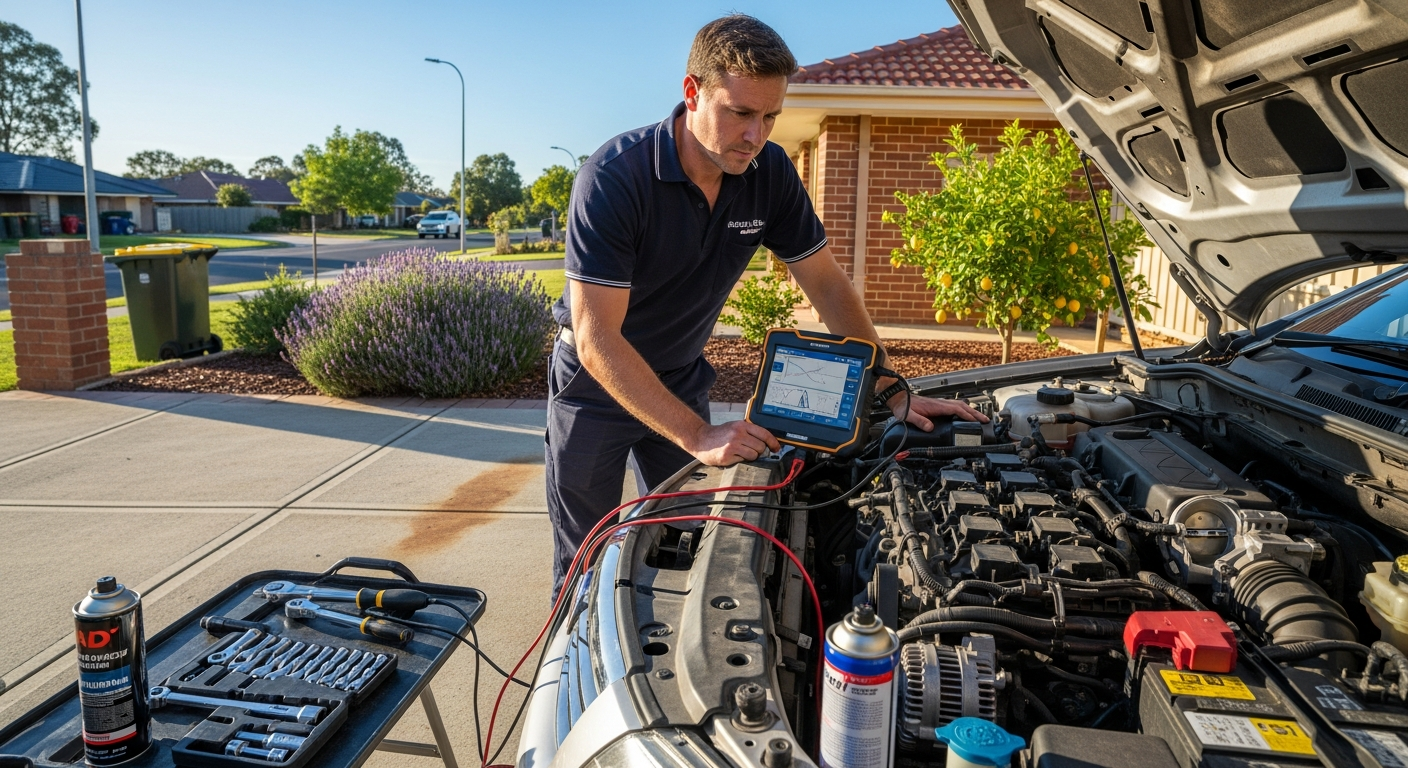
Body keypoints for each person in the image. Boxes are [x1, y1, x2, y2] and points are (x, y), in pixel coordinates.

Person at [545, 14, 986, 597]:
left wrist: (890, 389)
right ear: (692, 92)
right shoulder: (613, 178)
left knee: (689, 546)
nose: (755, 135)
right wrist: (698, 434)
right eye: (740, 113)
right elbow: (597, 337)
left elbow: (827, 286)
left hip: (678, 374)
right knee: (587, 559)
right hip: (594, 387)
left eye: (770, 116)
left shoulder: (769, 172)